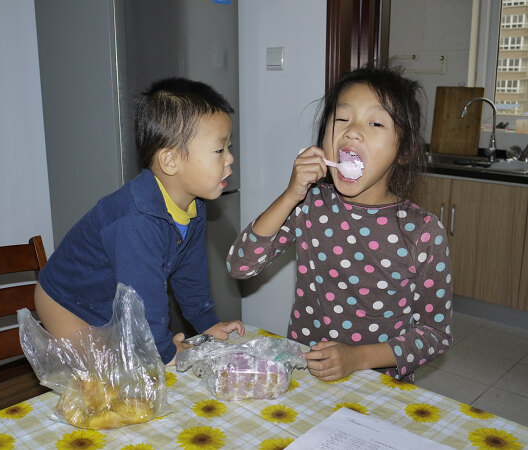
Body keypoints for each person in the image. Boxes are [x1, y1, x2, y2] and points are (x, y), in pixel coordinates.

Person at [227, 65, 452, 383]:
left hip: (380, 384)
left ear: (403, 151)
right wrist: (291, 194)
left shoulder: (424, 231)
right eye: (342, 119)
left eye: (375, 123)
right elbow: (240, 265)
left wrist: (358, 358)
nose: (352, 132)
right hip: (307, 373)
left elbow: (435, 335)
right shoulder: (310, 204)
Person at [35, 77, 244, 365]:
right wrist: (164, 353)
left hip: (114, 306)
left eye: (229, 148)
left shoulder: (194, 206)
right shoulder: (137, 220)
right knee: (103, 385)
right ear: (170, 161)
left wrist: (206, 323)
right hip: (69, 305)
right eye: (220, 150)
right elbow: (143, 298)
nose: (230, 158)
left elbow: (190, 275)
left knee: (135, 374)